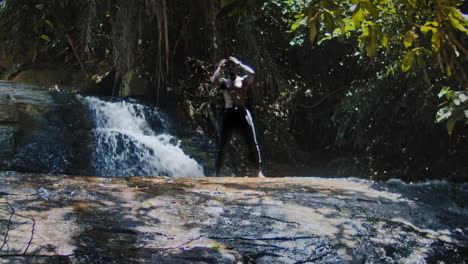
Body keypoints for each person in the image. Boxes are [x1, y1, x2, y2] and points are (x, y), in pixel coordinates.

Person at [211, 56, 264, 177]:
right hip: (229, 113)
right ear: (226, 69)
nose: (231, 68)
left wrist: (239, 63)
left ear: (236, 68)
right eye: (229, 67)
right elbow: (214, 82)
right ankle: (217, 173)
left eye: (233, 66)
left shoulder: (243, 80)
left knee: (252, 143)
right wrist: (220, 67)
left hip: (242, 113)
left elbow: (252, 73)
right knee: (222, 145)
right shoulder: (224, 82)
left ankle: (258, 171)